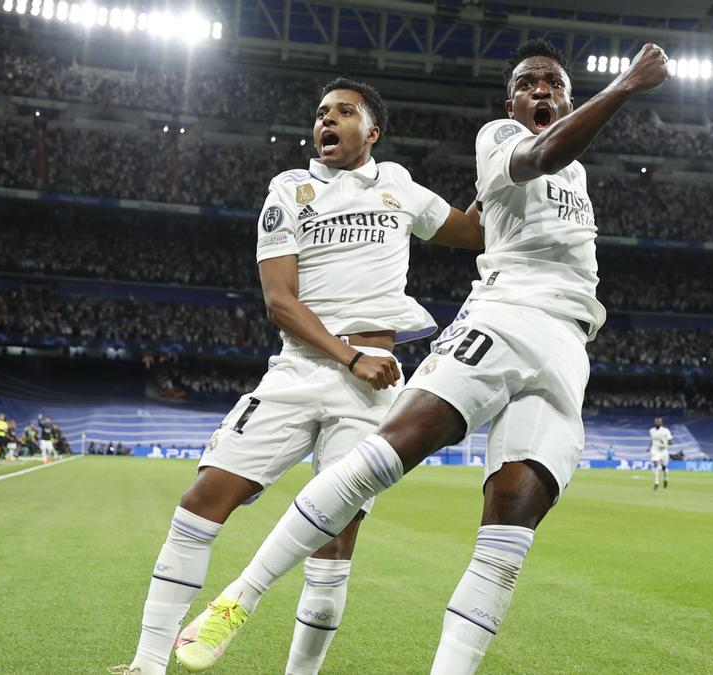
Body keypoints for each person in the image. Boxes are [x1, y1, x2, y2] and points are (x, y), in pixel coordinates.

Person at [169, 39, 670, 674]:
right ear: (510, 100)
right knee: (388, 451)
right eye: (527, 83)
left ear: (567, 97)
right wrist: (624, 86)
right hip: (506, 316)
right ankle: (239, 599)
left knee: (511, 525)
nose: (540, 90)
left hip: (572, 344)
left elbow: (508, 198)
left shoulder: (578, 171)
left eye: (552, 83)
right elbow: (542, 151)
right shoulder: (499, 137)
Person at [109, 77, 484, 675]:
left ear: (373, 130)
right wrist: (349, 355)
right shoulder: (290, 189)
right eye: (320, 114)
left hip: (370, 389)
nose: (326, 122)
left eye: (343, 112)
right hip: (301, 369)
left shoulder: (401, 188)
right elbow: (279, 301)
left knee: (334, 546)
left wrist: (508, 170)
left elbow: (474, 231)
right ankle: (148, 664)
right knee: (201, 500)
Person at [648, 417, 672, 490]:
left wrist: (664, 443)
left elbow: (670, 441)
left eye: (658, 422)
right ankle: (656, 483)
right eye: (656, 422)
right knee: (655, 464)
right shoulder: (651, 430)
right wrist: (649, 447)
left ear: (661, 423)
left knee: (664, 468)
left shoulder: (666, 431)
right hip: (655, 450)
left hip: (664, 451)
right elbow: (652, 440)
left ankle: (666, 479)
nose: (657, 423)